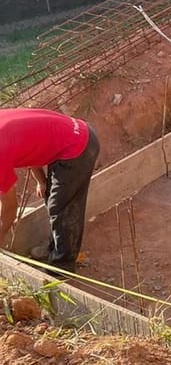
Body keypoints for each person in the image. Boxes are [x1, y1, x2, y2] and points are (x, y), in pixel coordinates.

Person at [0, 108, 100, 272]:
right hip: (70, 137)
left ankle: (62, 267)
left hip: (78, 146)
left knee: (61, 208)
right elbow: (27, 143)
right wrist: (41, 181)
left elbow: (10, 209)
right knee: (54, 200)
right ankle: (55, 247)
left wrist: (1, 235)